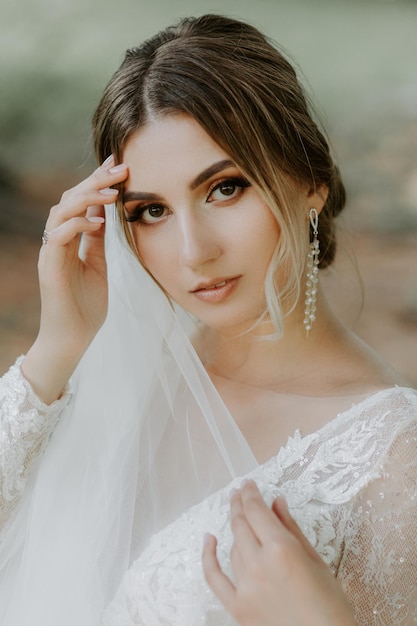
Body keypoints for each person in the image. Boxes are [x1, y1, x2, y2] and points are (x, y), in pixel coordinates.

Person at [0, 13, 416, 626]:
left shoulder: (394, 460)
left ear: (312, 181)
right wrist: (55, 349)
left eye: (225, 188)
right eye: (151, 211)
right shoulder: (102, 374)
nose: (194, 251)